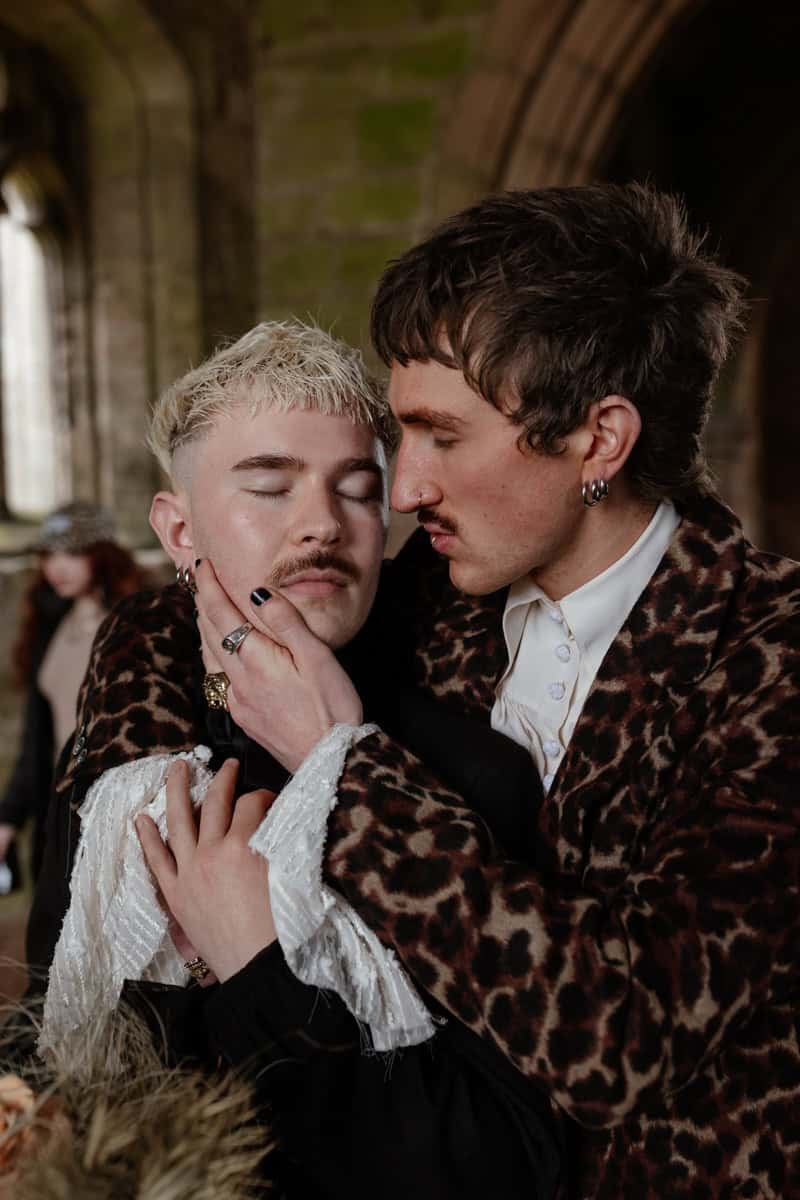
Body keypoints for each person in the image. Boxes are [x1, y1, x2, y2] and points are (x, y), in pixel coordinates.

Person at [176, 187, 800, 1200]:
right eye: (399, 435)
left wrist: (347, 770)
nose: (404, 485)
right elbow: (175, 615)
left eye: (441, 436)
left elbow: (623, 1035)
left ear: (598, 440)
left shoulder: (767, 658)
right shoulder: (426, 596)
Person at [22, 320, 562, 1199]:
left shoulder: (469, 773)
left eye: (357, 490)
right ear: (178, 528)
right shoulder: (124, 759)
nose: (322, 525)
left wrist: (258, 963)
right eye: (269, 487)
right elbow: (60, 1046)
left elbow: (503, 1162)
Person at [0, 502, 143, 884]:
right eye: (49, 554)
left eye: (73, 552)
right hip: (58, 809)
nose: (57, 566)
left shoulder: (132, 624)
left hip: (112, 811)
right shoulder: (50, 623)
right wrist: (10, 817)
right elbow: (37, 737)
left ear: (103, 555)